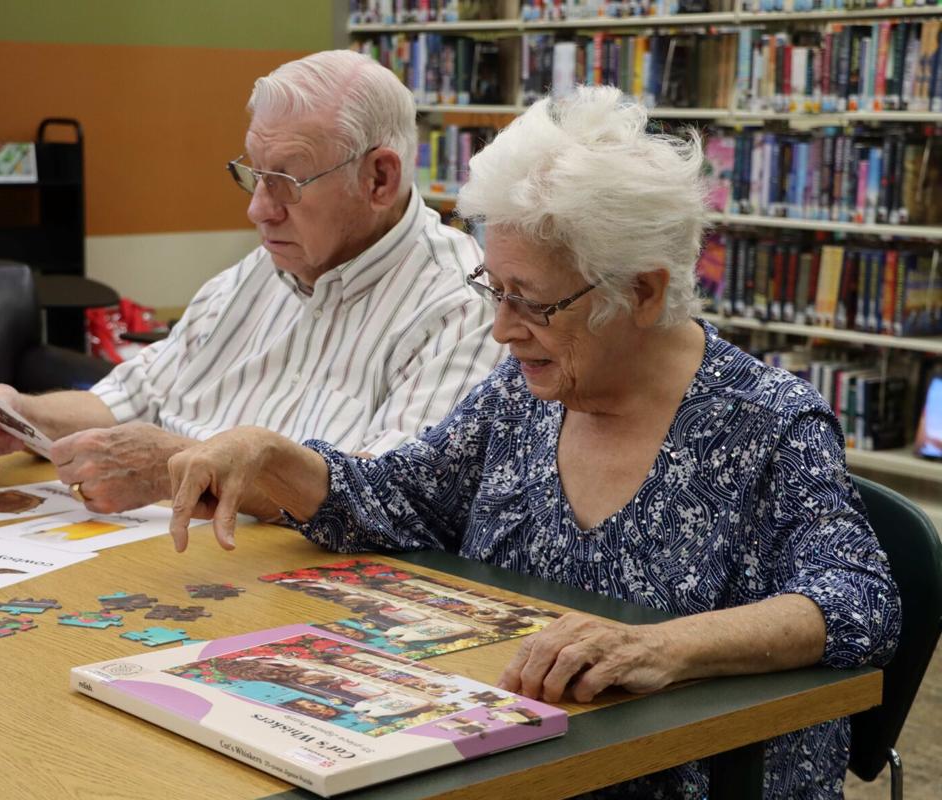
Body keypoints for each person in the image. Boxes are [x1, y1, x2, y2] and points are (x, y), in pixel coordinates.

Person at [166, 86, 902, 798]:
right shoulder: (527, 391)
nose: (501, 327)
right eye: (495, 288)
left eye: (533, 301)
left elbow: (859, 603)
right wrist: (270, 453)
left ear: (642, 292)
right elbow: (406, 499)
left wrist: (663, 647)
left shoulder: (768, 422)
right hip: (514, 767)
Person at [0, 50, 502, 518]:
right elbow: (135, 398)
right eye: (253, 175)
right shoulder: (266, 265)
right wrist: (17, 415)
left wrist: (171, 465)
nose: (259, 209)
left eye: (284, 181)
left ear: (379, 178)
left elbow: (384, 501)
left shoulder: (460, 304)